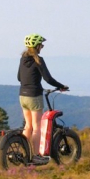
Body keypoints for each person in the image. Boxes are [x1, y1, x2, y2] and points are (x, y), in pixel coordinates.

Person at [17, 34, 68, 164]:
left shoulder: (23, 59)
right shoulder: (38, 60)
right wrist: (61, 86)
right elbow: (48, 79)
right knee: (36, 126)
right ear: (37, 46)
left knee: (27, 126)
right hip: (34, 96)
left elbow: (19, 77)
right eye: (42, 45)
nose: (42, 47)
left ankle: (23, 152)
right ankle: (35, 156)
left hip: (22, 95)